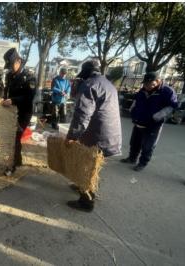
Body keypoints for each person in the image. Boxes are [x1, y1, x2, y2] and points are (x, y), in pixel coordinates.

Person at [66, 59, 123, 212]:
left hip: (98, 134)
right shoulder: (108, 83)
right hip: (110, 134)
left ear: (86, 74)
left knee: (87, 167)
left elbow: (82, 115)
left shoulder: (90, 84)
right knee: (93, 166)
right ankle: (82, 187)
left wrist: (72, 136)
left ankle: (86, 202)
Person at [120, 72, 178, 171]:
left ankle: (142, 163)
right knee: (134, 142)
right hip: (139, 120)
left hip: (153, 123)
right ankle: (132, 158)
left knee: (148, 145)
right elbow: (136, 101)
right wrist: (133, 111)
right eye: (145, 84)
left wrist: (157, 116)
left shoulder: (167, 91)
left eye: (150, 84)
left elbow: (172, 106)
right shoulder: (143, 90)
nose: (146, 86)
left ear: (158, 81)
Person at [0, 48, 37, 175]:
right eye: (9, 66)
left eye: (11, 65)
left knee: (14, 138)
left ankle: (12, 166)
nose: (10, 68)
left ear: (18, 61)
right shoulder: (10, 75)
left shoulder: (29, 77)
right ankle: (18, 160)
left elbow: (29, 97)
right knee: (12, 137)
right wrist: (3, 98)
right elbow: (7, 90)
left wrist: (13, 100)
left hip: (24, 113)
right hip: (12, 111)